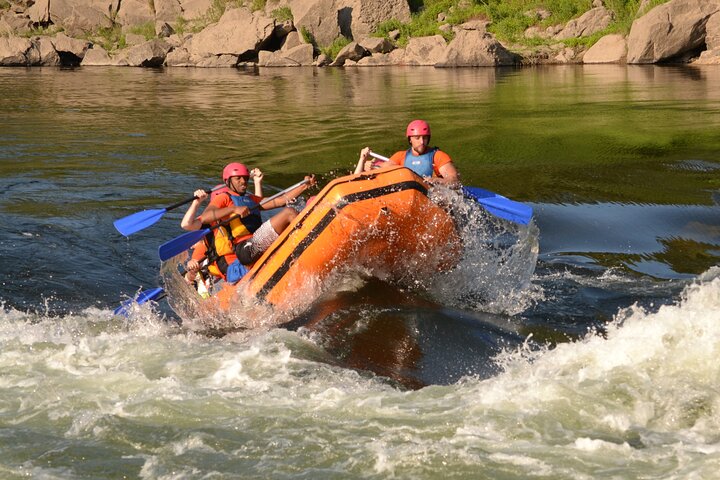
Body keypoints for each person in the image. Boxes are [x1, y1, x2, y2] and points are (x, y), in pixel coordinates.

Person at [194, 162, 315, 283]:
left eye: (245, 178)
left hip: (256, 241)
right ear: (228, 181)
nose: (243, 181)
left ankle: (302, 245)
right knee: (289, 213)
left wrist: (304, 186)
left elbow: (281, 201)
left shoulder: (251, 199)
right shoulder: (224, 197)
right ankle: (310, 242)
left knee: (288, 215)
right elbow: (205, 217)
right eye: (238, 178)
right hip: (244, 250)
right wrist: (234, 209)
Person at [355, 119, 460, 186]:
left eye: (425, 138)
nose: (422, 142)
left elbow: (453, 180)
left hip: (430, 195)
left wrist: (436, 180)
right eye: (417, 138)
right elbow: (382, 169)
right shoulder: (401, 156)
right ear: (410, 139)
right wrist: (369, 165)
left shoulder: (438, 156)